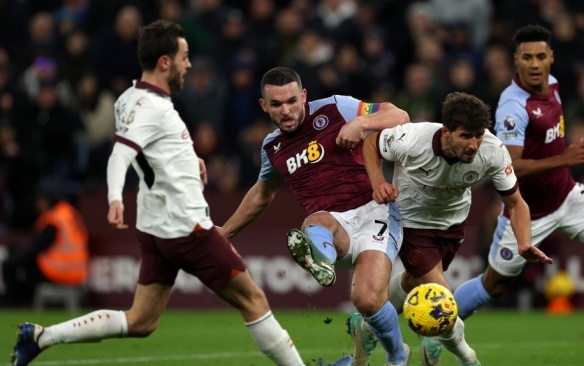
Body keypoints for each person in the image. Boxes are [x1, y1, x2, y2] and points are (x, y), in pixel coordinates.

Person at [10, 20, 344, 366]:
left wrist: (187, 159)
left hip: (154, 224)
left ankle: (41, 336)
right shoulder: (155, 109)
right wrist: (113, 198)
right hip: (185, 226)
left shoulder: (128, 99)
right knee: (253, 301)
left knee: (141, 320)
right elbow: (122, 152)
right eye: (184, 57)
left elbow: (149, 147)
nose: (188, 64)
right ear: (165, 62)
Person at [453, 24, 584, 360]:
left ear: (551, 58)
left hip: (566, 195)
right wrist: (564, 158)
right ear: (516, 60)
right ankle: (442, 324)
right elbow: (510, 165)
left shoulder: (554, 86)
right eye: (527, 57)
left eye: (541, 56)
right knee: (493, 285)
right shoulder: (513, 107)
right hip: (527, 210)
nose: (534, 63)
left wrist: (562, 163)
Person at [219, 66, 412, 366]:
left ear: (304, 96)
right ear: (264, 106)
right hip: (335, 228)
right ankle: (322, 261)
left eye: (292, 101)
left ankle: (398, 357)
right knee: (315, 221)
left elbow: (399, 115)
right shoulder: (272, 147)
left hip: (375, 212)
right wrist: (224, 233)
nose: (286, 110)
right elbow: (261, 194)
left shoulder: (337, 107)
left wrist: (361, 123)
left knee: (367, 301)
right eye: (277, 104)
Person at [361, 91, 552, 366]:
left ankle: (366, 324)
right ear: (447, 131)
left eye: (479, 135)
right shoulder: (413, 139)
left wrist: (523, 242)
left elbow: (516, 203)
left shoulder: (493, 151)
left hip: (451, 226)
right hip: (410, 222)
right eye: (466, 136)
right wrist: (378, 181)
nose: (474, 144)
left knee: (412, 283)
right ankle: (470, 359)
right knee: (444, 303)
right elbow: (372, 142)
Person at [1, 180, 88, 307]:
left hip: (58, 272)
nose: (38, 203)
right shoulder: (71, 213)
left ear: (49, 198)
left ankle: (10, 304)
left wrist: (10, 259)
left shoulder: (54, 219)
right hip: (78, 273)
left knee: (15, 263)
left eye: (40, 199)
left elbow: (34, 248)